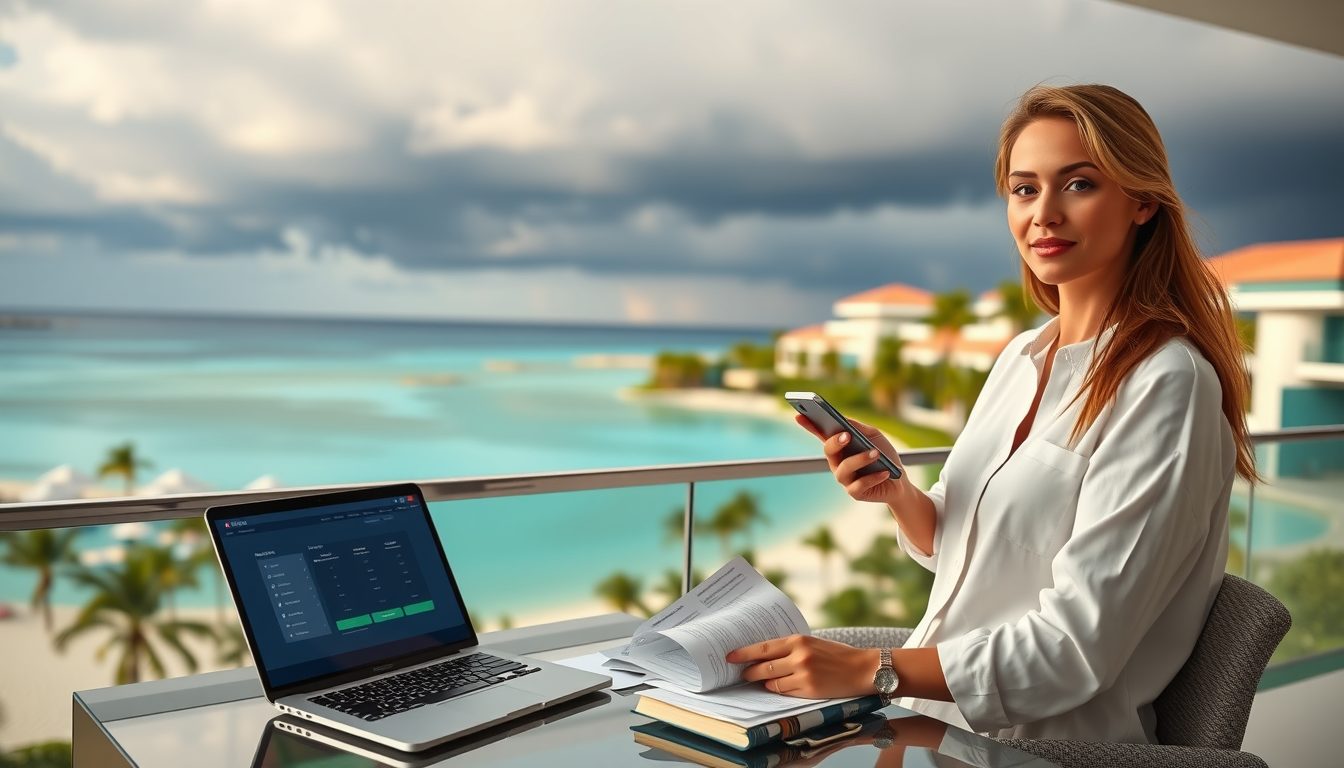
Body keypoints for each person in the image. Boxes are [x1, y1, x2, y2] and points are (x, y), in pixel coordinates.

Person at [727, 84, 1256, 744]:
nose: (1045, 215)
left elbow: (1074, 650)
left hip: (1041, 747)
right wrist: (899, 495)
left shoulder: (1167, 384)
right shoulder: (1021, 357)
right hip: (925, 727)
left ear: (1143, 201)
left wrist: (873, 669)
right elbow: (973, 548)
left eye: (1080, 185)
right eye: (1024, 189)